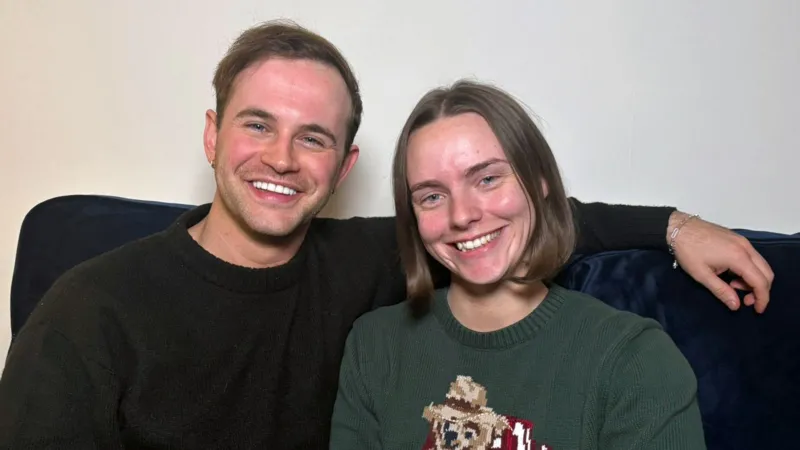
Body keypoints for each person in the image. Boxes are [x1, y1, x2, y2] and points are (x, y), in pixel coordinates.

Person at [0, 20, 769, 449]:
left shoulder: (371, 264)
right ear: (211, 135)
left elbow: (501, 222)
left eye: (313, 138)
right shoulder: (89, 311)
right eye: (256, 125)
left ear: (344, 164)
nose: (280, 157)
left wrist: (673, 224)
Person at [329, 80, 707, 449]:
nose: (462, 215)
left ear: (539, 180)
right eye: (431, 196)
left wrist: (673, 226)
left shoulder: (634, 358)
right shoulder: (374, 346)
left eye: (488, 179)